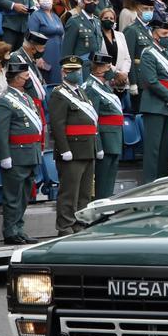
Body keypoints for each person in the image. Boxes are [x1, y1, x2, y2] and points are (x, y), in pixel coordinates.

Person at [47, 56, 99, 235]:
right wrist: (64, 149)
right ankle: (65, 225)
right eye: (72, 71)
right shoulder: (59, 93)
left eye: (78, 70)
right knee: (69, 191)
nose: (76, 73)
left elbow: (92, 122)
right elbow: (57, 124)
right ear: (64, 72)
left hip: (87, 148)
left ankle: (79, 223)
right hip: (72, 150)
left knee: (84, 192)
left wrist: (96, 147)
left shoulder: (81, 92)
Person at [0, 62, 43, 245]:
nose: (28, 79)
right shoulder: (5, 100)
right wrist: (4, 155)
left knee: (24, 195)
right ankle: (10, 230)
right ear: (16, 78)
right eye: (25, 77)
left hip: (30, 153)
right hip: (16, 155)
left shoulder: (27, 98)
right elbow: (1, 131)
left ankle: (19, 228)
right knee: (13, 196)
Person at [137, 19, 168, 183]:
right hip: (154, 105)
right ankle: (149, 183)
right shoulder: (148, 53)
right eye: (164, 34)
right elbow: (151, 80)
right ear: (154, 35)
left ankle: (162, 183)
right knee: (153, 149)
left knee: (165, 150)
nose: (167, 37)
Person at [86, 53, 124, 197]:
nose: (112, 71)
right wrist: (98, 145)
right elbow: (92, 119)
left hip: (114, 138)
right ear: (100, 69)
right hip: (105, 139)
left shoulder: (104, 86)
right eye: (109, 67)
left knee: (110, 178)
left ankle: (106, 205)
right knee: (102, 180)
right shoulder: (91, 88)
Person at [28, 0, 65, 82]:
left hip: (59, 53)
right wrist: (37, 58)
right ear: (38, 0)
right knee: (48, 80)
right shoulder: (35, 16)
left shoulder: (55, 16)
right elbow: (31, 38)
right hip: (45, 54)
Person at [63, 0, 103, 66]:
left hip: (96, 67)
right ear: (83, 0)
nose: (92, 3)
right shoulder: (74, 21)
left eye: (95, 0)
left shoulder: (97, 21)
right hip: (81, 67)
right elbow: (67, 50)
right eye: (88, 0)